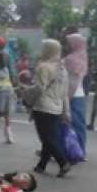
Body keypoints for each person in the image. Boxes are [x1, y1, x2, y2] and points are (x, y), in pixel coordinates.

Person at [31, 39, 72, 177]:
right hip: (57, 107)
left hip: (43, 106)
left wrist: (25, 93)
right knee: (50, 137)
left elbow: (39, 89)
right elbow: (65, 93)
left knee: (47, 138)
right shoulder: (62, 69)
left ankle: (63, 162)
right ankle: (41, 165)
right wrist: (66, 111)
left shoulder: (43, 67)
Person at [63, 33, 89, 156]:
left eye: (68, 43)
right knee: (79, 125)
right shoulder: (83, 57)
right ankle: (81, 150)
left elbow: (72, 81)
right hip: (80, 94)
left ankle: (73, 151)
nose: (66, 45)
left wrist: (67, 97)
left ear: (74, 44)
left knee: (68, 123)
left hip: (71, 94)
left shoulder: (70, 59)